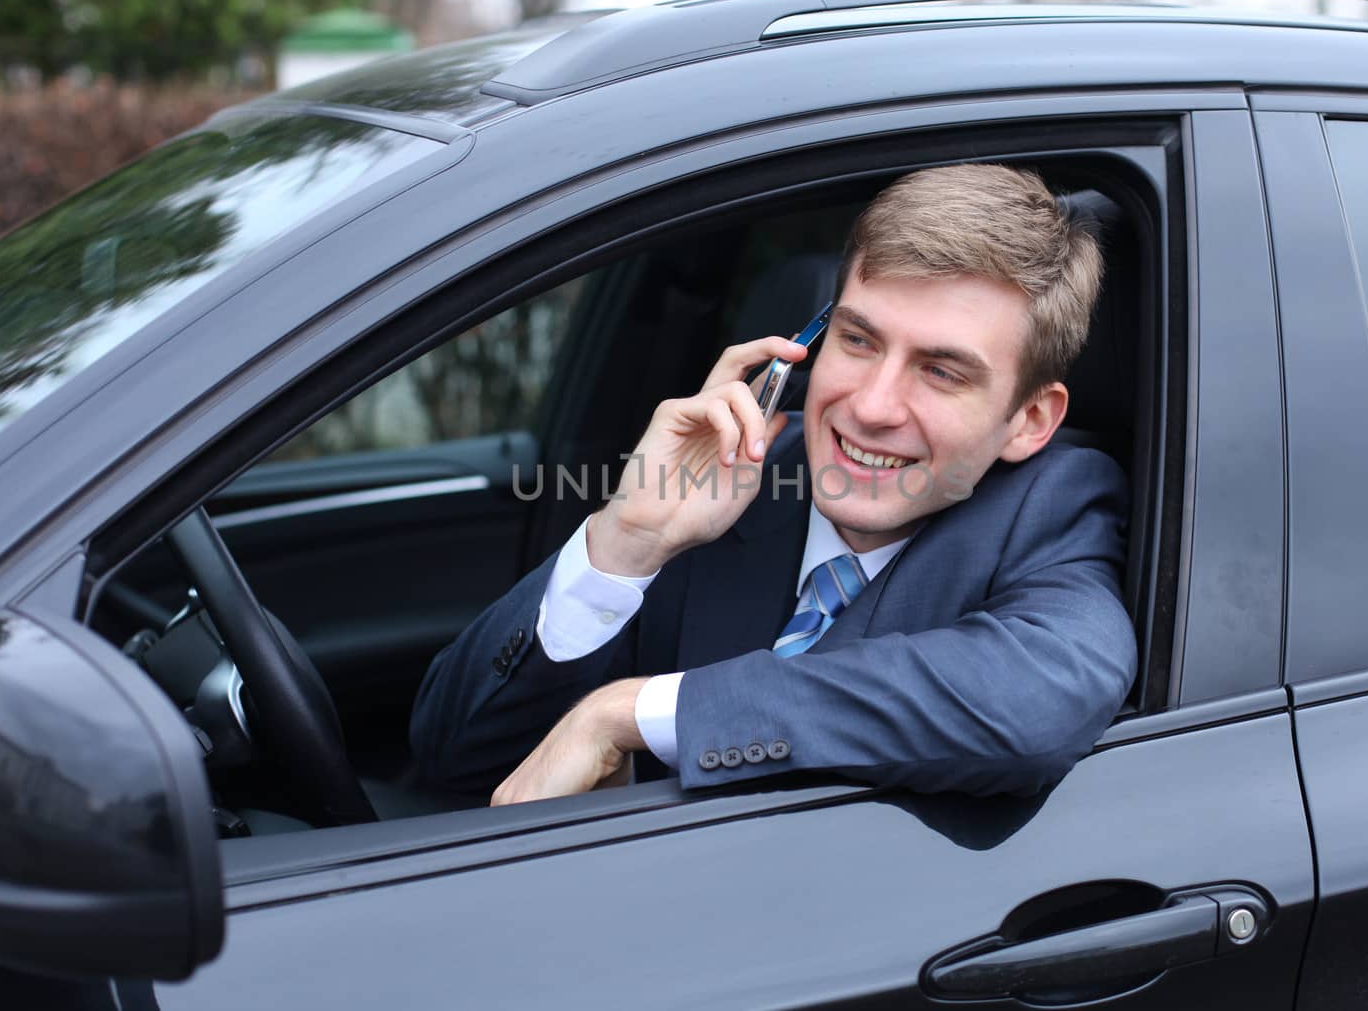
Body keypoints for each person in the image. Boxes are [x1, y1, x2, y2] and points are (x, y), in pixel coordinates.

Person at [409, 163, 1136, 805]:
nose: (871, 406)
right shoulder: (738, 472)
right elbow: (452, 760)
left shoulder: (1054, 502)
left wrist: (634, 711)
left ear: (1030, 420)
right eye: (858, 340)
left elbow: (1041, 696)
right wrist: (622, 546)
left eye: (941, 371)